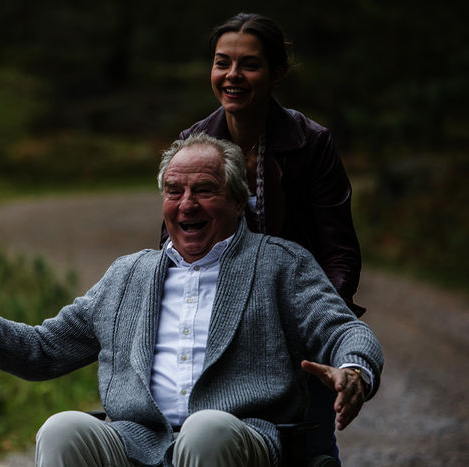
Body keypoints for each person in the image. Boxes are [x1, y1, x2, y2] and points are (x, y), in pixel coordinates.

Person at [0, 133, 383, 467]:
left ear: (238, 202)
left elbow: (345, 330)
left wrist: (356, 369)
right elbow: (42, 350)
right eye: (174, 191)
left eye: (204, 190)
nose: (186, 204)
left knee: (205, 429)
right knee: (62, 429)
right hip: (137, 440)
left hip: (238, 439)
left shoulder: (278, 264)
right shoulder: (128, 275)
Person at [172, 13, 366, 463]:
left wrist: (314, 318)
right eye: (222, 63)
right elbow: (175, 243)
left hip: (296, 320)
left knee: (308, 448)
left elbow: (339, 251)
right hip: (217, 322)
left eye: (249, 65)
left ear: (277, 73)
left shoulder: (310, 143)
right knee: (212, 437)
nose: (232, 76)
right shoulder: (193, 143)